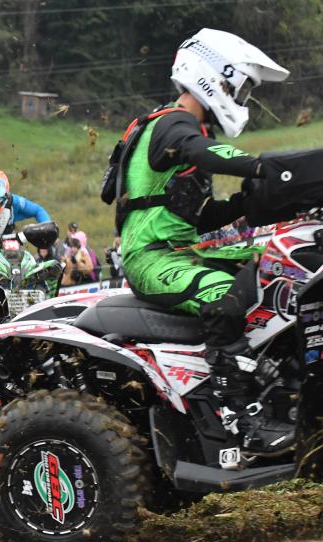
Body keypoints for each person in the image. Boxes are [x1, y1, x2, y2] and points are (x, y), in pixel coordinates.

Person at [112, 28, 291, 453]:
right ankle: (240, 414)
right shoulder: (173, 124)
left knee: (279, 259)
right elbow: (201, 152)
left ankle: (280, 382)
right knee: (222, 291)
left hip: (182, 250)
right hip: (149, 258)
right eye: (240, 88)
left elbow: (202, 216)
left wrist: (249, 204)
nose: (243, 98)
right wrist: (266, 169)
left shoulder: (186, 132)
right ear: (215, 76)